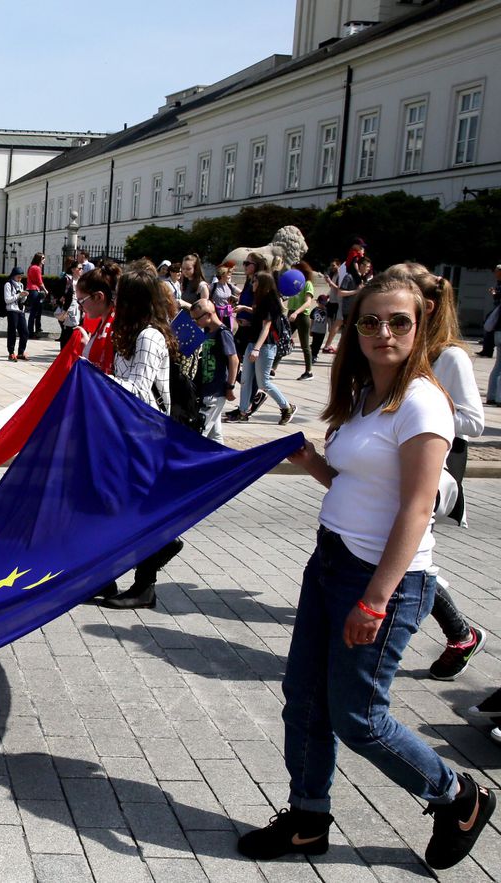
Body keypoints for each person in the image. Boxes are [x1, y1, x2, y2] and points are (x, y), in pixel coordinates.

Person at [238, 272, 494, 871]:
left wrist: (376, 599)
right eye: (370, 321)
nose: (383, 332)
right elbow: (356, 483)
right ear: (354, 328)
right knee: (304, 699)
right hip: (329, 562)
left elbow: (416, 508)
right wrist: (312, 463)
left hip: (384, 579)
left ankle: (458, 796)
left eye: (398, 321)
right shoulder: (364, 395)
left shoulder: (425, 404)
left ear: (423, 322)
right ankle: (306, 820)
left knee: (359, 718)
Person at [385, 264, 488, 679]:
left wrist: (424, 414)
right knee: (399, 557)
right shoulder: (409, 349)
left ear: (424, 306)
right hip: (393, 467)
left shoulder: (451, 356)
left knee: (408, 560)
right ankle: (459, 632)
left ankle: (461, 633)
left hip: (432, 469)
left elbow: (474, 422)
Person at [99, 266, 185, 610]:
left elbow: (138, 389)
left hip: (147, 435)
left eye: (121, 296)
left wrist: (96, 379)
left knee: (130, 508)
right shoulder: (134, 333)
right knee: (121, 506)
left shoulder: (148, 337)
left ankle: (145, 580)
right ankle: (113, 576)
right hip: (132, 433)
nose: (116, 301)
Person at [229, 271, 296, 425]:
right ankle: (243, 411)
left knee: (263, 382)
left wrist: (256, 349)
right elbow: (258, 315)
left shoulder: (270, 301)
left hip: (265, 346)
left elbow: (267, 326)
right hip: (253, 341)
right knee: (245, 379)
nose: (252, 284)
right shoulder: (260, 299)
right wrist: (245, 309)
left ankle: (287, 407)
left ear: (262, 284)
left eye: (255, 282)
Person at [189, 299, 238, 444]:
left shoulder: (223, 333)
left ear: (209, 315)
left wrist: (230, 386)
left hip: (214, 391)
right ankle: (225, 464)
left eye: (197, 318)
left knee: (199, 432)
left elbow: (234, 360)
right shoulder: (207, 332)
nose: (195, 322)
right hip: (206, 389)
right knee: (215, 436)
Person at [282, 260, 317, 380]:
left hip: (302, 316)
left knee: (305, 345)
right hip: (291, 313)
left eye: (294, 270)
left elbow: (308, 302)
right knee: (282, 340)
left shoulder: (307, 284)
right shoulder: (293, 283)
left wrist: (296, 312)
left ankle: (309, 371)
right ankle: (272, 369)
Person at [3, 267, 29, 361]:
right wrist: (19, 295)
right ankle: (11, 352)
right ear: (14, 275)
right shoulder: (8, 284)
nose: (20, 278)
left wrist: (24, 297)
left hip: (20, 310)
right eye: (18, 276)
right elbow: (7, 300)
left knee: (25, 332)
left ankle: (21, 352)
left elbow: (21, 300)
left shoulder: (21, 285)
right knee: (12, 332)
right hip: (12, 310)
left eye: (21, 277)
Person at [480, 263, 500, 358]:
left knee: (490, 325)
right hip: (496, 308)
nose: (495, 273)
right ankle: (487, 349)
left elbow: (498, 295)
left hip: (498, 309)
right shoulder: (498, 282)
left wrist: (494, 293)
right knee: (489, 325)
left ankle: (487, 349)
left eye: (496, 271)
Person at [25, 252, 47, 336]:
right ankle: (31, 331)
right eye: (43, 258)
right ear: (39, 259)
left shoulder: (31, 267)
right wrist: (45, 290)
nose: (44, 260)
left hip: (31, 290)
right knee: (35, 311)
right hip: (35, 290)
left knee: (35, 311)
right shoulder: (37, 268)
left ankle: (34, 329)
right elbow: (39, 282)